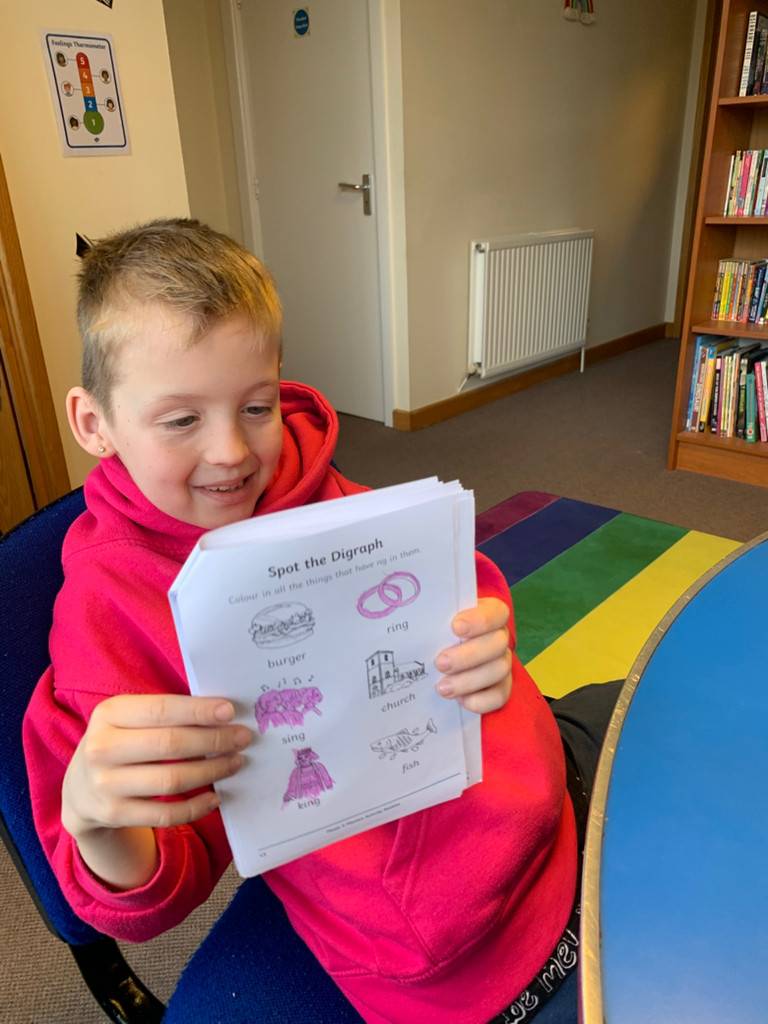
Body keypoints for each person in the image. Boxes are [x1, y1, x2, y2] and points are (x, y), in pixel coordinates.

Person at [23, 218, 619, 1024]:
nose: (233, 452)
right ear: (93, 422)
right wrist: (98, 823)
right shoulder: (108, 616)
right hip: (449, 940)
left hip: (546, 789)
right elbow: (149, 892)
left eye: (257, 405)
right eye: (181, 420)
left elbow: (438, 581)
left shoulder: (302, 478)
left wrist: (484, 627)